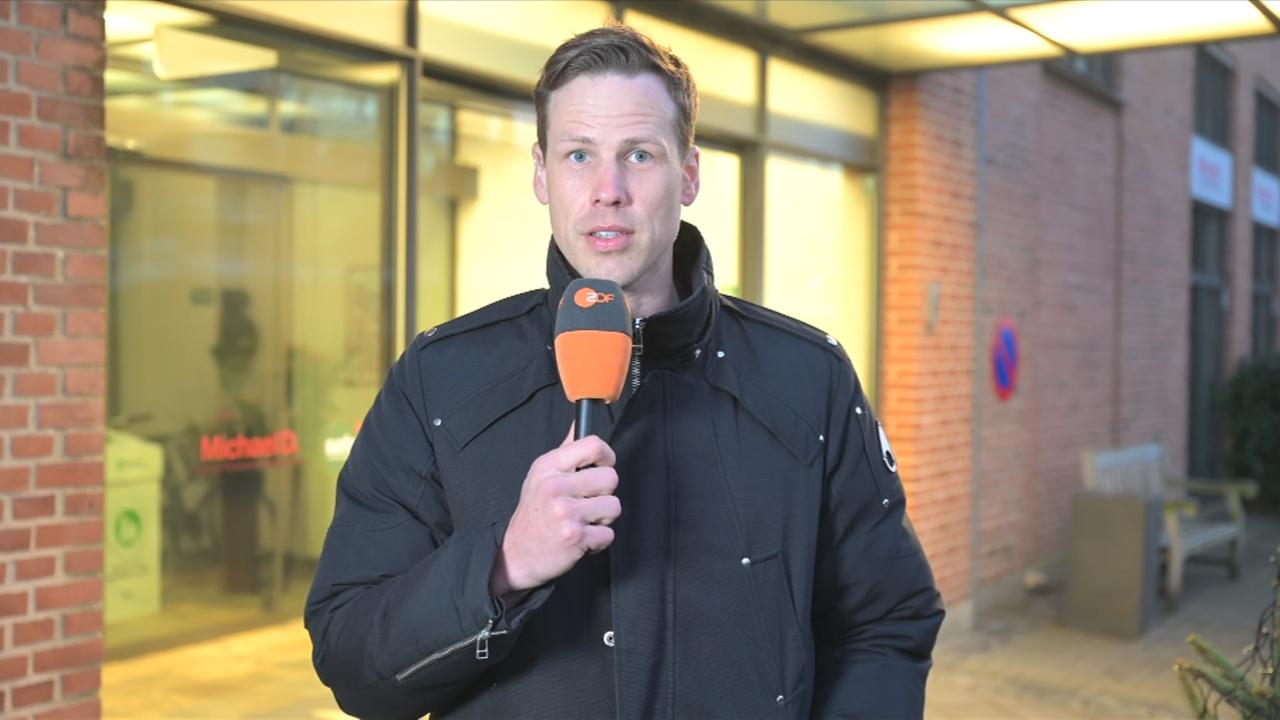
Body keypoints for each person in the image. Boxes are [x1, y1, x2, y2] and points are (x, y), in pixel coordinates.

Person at [305, 23, 944, 719]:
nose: (608, 190)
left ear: (689, 174)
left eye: (639, 154)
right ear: (542, 174)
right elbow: (352, 663)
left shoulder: (807, 379)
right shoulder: (438, 381)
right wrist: (505, 564)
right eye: (579, 155)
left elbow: (885, 624)